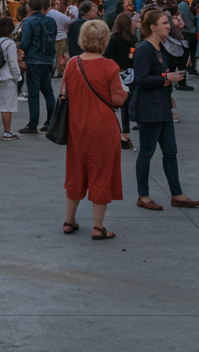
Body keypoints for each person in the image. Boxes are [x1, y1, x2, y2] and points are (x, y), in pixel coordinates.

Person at [62, 19, 129, 240]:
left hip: (77, 126)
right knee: (101, 173)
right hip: (102, 127)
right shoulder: (110, 66)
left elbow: (64, 94)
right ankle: (98, 227)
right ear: (104, 40)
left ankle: (69, 221)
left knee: (76, 171)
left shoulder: (72, 64)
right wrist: (125, 93)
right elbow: (118, 99)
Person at [132, 9, 199, 211]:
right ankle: (143, 196)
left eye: (168, 23)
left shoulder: (160, 47)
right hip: (149, 108)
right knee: (146, 152)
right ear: (152, 26)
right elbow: (141, 79)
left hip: (161, 105)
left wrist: (169, 84)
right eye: (164, 23)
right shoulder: (145, 49)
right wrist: (166, 79)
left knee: (170, 151)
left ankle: (177, 193)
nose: (168, 26)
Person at [17, 0, 58, 135]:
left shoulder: (28, 22)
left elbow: (25, 42)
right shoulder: (51, 21)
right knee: (48, 91)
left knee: (33, 93)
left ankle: (33, 124)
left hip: (34, 60)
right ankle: (51, 121)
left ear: (29, 7)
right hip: (48, 59)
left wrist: (21, 51)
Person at [105, 13, 137, 150]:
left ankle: (122, 133)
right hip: (129, 73)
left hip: (119, 74)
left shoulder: (114, 39)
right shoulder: (131, 40)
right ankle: (125, 133)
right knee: (126, 104)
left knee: (121, 105)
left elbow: (107, 57)